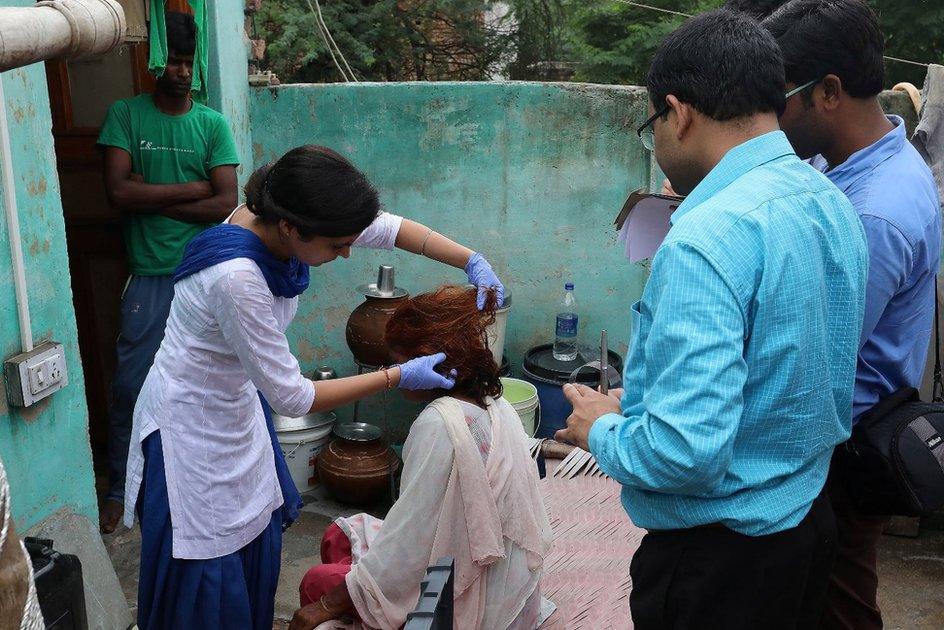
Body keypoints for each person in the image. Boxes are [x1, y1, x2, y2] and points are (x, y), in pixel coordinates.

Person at [555, 10, 868, 629]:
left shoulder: (705, 237)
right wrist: (643, 404)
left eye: (655, 127)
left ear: (679, 112)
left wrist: (600, 432)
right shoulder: (829, 201)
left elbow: (685, 454)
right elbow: (783, 376)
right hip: (807, 525)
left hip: (722, 563)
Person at [123, 145, 507, 630]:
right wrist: (397, 376)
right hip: (191, 428)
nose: (348, 251)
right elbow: (293, 397)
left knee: (253, 552)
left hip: (237, 403)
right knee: (208, 572)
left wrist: (471, 259)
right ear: (290, 229)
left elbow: (389, 229)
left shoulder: (286, 213)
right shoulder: (235, 277)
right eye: (337, 245)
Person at [763, 2, 942, 628]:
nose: (768, 118)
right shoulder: (857, 161)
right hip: (846, 429)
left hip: (844, 446)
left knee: (837, 606)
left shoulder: (873, 214)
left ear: (828, 93)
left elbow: (810, 353)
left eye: (778, 99)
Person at [291, 285, 551, 630]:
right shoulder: (495, 402)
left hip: (472, 595)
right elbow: (422, 523)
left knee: (316, 581)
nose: (392, 371)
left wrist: (326, 604)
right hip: (502, 580)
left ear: (432, 361)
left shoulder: (440, 423)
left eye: (398, 363)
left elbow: (412, 541)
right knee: (338, 536)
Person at [96, 11, 240, 533]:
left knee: (205, 387)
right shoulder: (126, 116)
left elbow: (226, 202)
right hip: (150, 276)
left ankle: (195, 485)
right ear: (157, 63)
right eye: (174, 61)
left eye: (188, 62)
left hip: (202, 279)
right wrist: (192, 190)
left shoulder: (212, 124)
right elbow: (117, 194)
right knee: (132, 386)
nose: (182, 71)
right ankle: (119, 489)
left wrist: (150, 198)